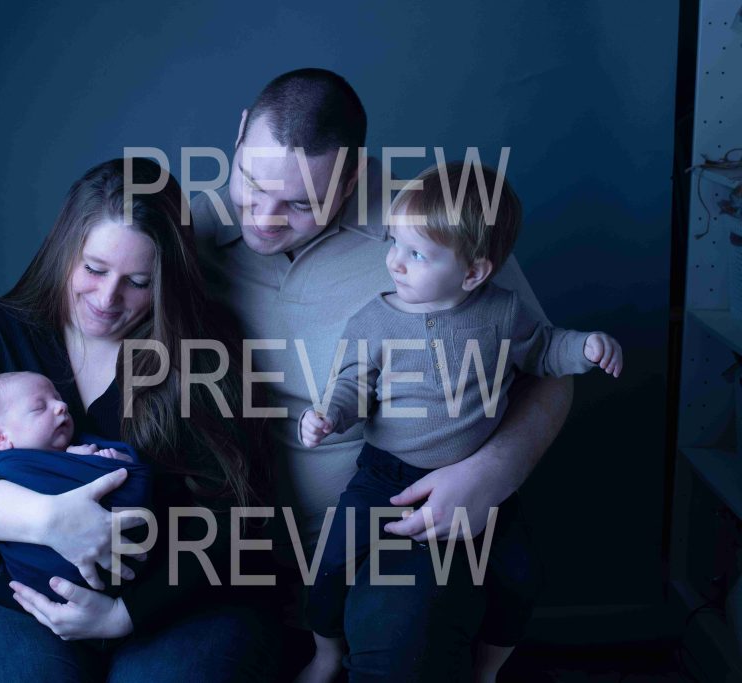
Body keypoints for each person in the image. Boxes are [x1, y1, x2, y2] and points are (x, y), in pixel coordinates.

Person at [190, 68, 576, 682]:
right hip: (229, 543)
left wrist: (491, 473)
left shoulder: (429, 230)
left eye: (299, 203)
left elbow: (548, 369)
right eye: (251, 183)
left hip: (394, 524)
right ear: (239, 134)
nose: (264, 216)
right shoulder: (191, 230)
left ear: (352, 176)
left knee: (403, 643)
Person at [0, 157, 276, 682]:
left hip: (173, 603)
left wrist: (126, 614)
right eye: (95, 269)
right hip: (12, 603)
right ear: (65, 250)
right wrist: (45, 519)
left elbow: (241, 511)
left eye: (139, 282)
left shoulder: (203, 346)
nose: (107, 299)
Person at [297, 162, 623, 683]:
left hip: (472, 479)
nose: (395, 261)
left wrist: (585, 347)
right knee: (332, 561)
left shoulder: (502, 313)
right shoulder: (374, 321)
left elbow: (545, 350)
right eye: (394, 243)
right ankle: (325, 653)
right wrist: (328, 415)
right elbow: (352, 385)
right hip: (385, 476)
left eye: (417, 253)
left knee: (520, 574)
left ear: (473, 273)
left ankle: (487, 668)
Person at [0, 370, 152, 600]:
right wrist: (90, 462)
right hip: (47, 583)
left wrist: (110, 459)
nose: (61, 406)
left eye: (58, 398)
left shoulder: (83, 446)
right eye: (39, 407)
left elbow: (132, 478)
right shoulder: (2, 472)